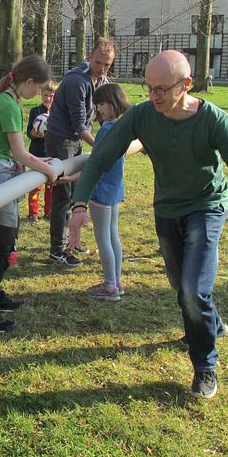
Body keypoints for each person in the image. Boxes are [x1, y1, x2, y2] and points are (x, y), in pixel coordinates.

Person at [68, 50, 228, 399]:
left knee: (192, 290)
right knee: (180, 283)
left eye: (162, 89)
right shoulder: (143, 116)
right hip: (167, 210)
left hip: (206, 207)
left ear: (186, 85)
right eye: (149, 88)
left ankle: (205, 367)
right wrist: (79, 201)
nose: (154, 96)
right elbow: (101, 157)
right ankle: (211, 322)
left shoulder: (214, 120)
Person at [0, 55, 59, 332]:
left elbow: (16, 153)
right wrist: (49, 170)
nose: (39, 94)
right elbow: (19, 153)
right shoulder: (9, 105)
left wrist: (45, 162)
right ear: (28, 82)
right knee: (4, 247)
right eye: (38, 88)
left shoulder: (8, 99)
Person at [45, 37, 115, 267]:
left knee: (77, 189)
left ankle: (71, 240)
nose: (102, 69)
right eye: (98, 63)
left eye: (107, 64)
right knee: (63, 193)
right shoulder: (77, 82)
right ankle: (58, 249)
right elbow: (79, 124)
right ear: (89, 58)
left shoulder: (101, 80)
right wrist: (101, 147)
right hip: (61, 138)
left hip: (77, 138)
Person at [82, 84, 139, 302]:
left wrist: (73, 178)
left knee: (103, 237)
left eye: (102, 104)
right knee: (113, 234)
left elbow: (97, 164)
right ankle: (116, 281)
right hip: (115, 189)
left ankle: (109, 286)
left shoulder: (106, 130)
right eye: (97, 104)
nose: (99, 108)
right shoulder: (121, 127)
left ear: (115, 103)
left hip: (102, 190)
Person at [25, 80, 58, 222]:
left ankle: (49, 211)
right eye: (45, 95)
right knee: (34, 185)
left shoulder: (58, 113)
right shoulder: (35, 111)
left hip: (51, 153)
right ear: (40, 94)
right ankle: (33, 213)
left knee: (51, 185)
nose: (48, 98)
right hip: (36, 153)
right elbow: (28, 132)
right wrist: (33, 133)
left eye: (51, 96)